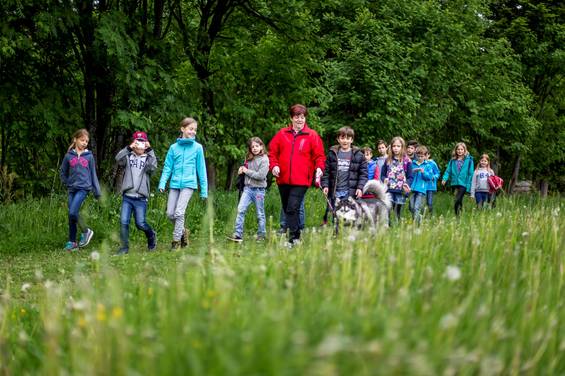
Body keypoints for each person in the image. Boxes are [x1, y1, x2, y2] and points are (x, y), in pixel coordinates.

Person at [269, 104, 325, 247]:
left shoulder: (312, 135)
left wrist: (319, 168)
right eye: (296, 117)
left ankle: (293, 238)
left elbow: (319, 156)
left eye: (302, 117)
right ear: (291, 118)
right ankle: (295, 236)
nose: (300, 120)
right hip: (283, 179)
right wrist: (274, 165)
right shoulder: (282, 134)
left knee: (293, 207)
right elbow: (272, 153)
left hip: (301, 180)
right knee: (288, 207)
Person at [158, 117, 208, 250]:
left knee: (179, 213)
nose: (193, 132)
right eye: (191, 129)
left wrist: (204, 190)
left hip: (189, 184)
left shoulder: (198, 148)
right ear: (183, 129)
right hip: (174, 184)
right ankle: (183, 231)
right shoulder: (173, 148)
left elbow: (201, 170)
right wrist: (162, 183)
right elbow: (168, 167)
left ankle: (176, 242)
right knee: (170, 213)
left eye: (195, 130)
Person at [115, 131, 158, 254]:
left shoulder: (148, 158)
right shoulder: (128, 157)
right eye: (137, 142)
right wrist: (129, 148)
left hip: (140, 198)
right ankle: (124, 247)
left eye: (142, 142)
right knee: (123, 222)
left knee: (140, 223)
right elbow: (118, 158)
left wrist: (150, 150)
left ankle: (151, 236)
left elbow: (153, 167)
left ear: (146, 144)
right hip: (127, 197)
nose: (140, 145)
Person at [59, 129, 101, 251]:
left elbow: (93, 174)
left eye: (86, 141)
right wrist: (67, 183)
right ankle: (72, 242)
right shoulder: (68, 156)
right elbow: (63, 172)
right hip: (72, 189)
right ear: (75, 139)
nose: (84, 143)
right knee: (71, 215)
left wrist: (97, 192)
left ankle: (86, 231)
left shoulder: (89, 157)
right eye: (82, 140)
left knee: (73, 212)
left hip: (83, 188)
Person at [321, 127, 368, 224]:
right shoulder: (332, 154)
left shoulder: (358, 155)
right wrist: (325, 185)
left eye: (348, 138)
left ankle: (348, 235)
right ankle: (336, 234)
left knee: (349, 215)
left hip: (350, 191)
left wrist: (360, 187)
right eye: (342, 138)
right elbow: (326, 172)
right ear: (338, 139)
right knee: (335, 214)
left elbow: (363, 174)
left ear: (352, 140)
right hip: (335, 191)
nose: (345, 141)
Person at [228, 137, 269, 242]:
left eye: (257, 146)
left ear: (261, 146)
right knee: (240, 209)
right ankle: (238, 235)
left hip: (259, 190)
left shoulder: (265, 159)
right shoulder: (249, 158)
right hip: (248, 189)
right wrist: (241, 170)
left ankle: (261, 235)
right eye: (252, 147)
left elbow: (260, 175)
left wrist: (246, 171)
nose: (255, 148)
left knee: (260, 213)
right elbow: (244, 169)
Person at [380, 136, 412, 223]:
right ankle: (389, 226)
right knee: (388, 209)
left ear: (402, 147)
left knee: (398, 211)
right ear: (391, 147)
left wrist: (407, 184)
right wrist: (384, 180)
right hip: (389, 190)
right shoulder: (388, 160)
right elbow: (382, 175)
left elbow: (410, 176)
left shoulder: (407, 161)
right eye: (394, 146)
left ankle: (397, 226)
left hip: (400, 190)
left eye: (398, 146)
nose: (396, 148)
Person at [442, 142, 474, 216]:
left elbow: (470, 173)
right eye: (458, 149)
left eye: (461, 149)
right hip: (455, 183)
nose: (460, 151)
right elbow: (448, 170)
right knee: (458, 200)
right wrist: (444, 178)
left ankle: (458, 215)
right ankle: (458, 216)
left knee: (457, 199)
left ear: (464, 150)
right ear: (456, 150)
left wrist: (468, 185)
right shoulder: (453, 160)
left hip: (463, 183)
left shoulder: (469, 160)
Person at [409, 145, 433, 225]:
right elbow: (409, 173)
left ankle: (416, 224)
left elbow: (429, 177)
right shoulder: (413, 163)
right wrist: (413, 171)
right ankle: (418, 219)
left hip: (421, 189)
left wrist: (423, 172)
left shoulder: (428, 165)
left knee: (416, 207)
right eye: (418, 156)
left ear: (425, 156)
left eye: (422, 156)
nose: (420, 158)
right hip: (412, 188)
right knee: (411, 207)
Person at [424, 149, 441, 215]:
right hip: (422, 186)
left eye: (426, 155)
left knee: (429, 202)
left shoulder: (433, 163)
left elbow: (438, 173)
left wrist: (434, 177)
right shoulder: (420, 163)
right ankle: (422, 216)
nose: (424, 157)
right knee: (422, 202)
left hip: (431, 186)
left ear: (429, 155)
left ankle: (430, 215)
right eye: (423, 155)